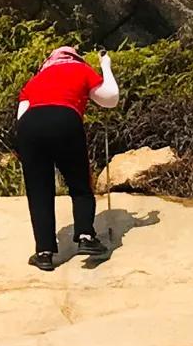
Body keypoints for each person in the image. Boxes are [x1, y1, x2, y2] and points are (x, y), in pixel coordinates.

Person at [14, 41, 119, 268]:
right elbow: (110, 99)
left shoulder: (35, 79)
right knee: (79, 183)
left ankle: (44, 252)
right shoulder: (80, 69)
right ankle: (85, 236)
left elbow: (21, 115)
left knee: (39, 191)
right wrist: (106, 65)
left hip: (29, 126)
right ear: (76, 58)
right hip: (65, 120)